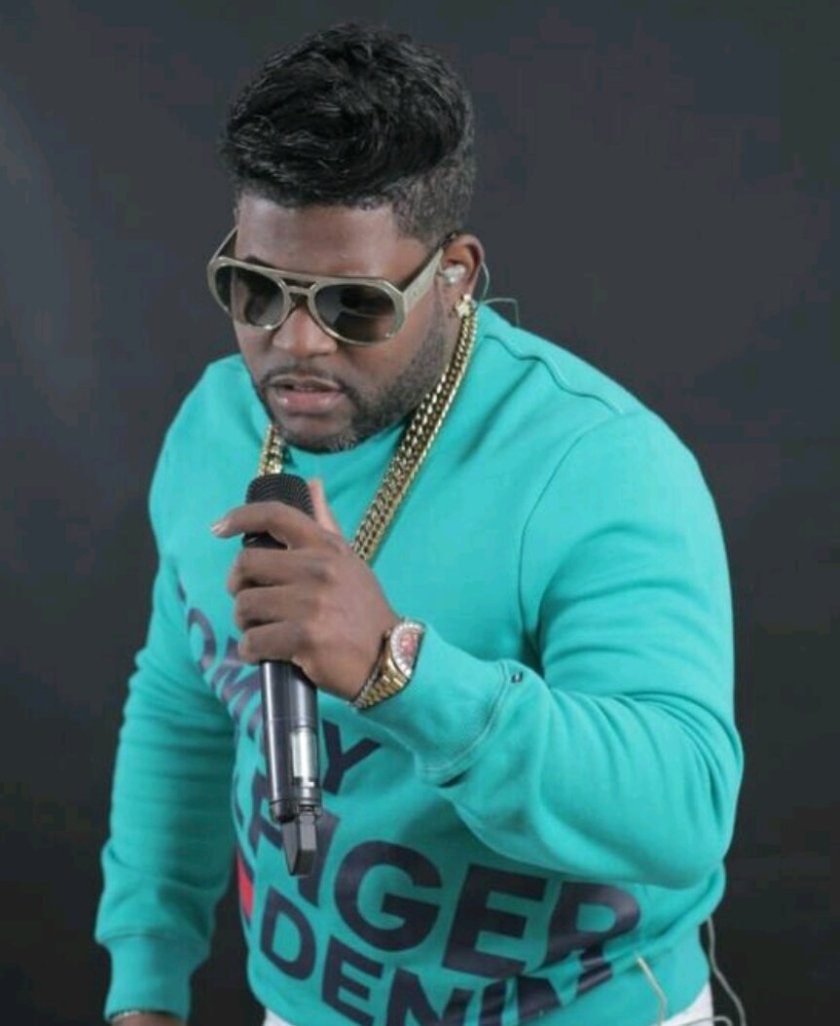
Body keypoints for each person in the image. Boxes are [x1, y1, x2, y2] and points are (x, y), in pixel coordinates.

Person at [95, 22, 742, 1026]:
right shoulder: (216, 424)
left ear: (455, 274)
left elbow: (683, 808)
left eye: (352, 304)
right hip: (303, 1006)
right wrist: (145, 981)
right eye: (256, 290)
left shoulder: (598, 466)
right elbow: (183, 706)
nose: (295, 344)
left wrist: (395, 668)